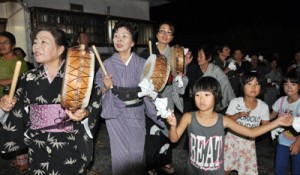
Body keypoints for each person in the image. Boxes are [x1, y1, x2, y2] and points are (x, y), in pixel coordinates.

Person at [0, 25, 102, 174]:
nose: (36, 46)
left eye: (44, 42)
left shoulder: (78, 75)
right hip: (37, 145)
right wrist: (5, 104)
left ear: (60, 49)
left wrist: (84, 113)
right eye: (35, 42)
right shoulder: (27, 77)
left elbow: (94, 100)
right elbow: (12, 101)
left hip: (69, 143)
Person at [165, 76, 293, 175]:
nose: (201, 99)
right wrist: (172, 126)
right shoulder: (188, 117)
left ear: (216, 96)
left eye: (206, 95)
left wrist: (277, 122)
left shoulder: (223, 120)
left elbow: (251, 132)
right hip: (192, 170)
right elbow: (174, 139)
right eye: (197, 95)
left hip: (215, 172)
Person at [95, 21, 166, 175]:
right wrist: (105, 86)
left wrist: (150, 93)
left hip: (136, 113)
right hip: (115, 114)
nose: (118, 39)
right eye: (116, 36)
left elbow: (153, 89)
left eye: (124, 36)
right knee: (120, 157)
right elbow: (97, 89)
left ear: (132, 42)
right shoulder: (106, 64)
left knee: (136, 156)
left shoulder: (142, 64)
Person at [139, 20, 192, 174]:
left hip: (168, 97)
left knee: (168, 129)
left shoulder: (176, 54)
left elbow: (180, 80)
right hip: (150, 98)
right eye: (162, 31)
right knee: (152, 132)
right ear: (156, 34)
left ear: (172, 37)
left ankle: (165, 161)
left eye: (169, 32)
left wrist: (184, 70)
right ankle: (151, 164)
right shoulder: (147, 52)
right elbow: (140, 76)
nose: (164, 34)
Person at [224, 71, 270, 175]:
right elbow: (225, 121)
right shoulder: (235, 102)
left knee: (247, 171)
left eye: (257, 84)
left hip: (248, 145)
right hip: (231, 141)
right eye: (249, 84)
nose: (253, 87)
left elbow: (265, 126)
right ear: (242, 86)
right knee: (225, 168)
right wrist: (238, 115)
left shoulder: (263, 107)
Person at [269, 70, 300, 175]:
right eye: (286, 84)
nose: (289, 87)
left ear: (299, 86)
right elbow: (272, 115)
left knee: (297, 169)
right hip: (282, 141)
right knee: (279, 169)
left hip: (298, 142)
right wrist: (257, 117)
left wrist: (297, 143)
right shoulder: (281, 100)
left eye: (293, 84)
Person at [0, 31, 28, 97]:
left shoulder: (19, 62)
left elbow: (18, 81)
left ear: (13, 46)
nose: (1, 46)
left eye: (5, 43)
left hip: (10, 100)